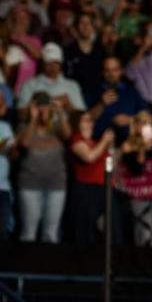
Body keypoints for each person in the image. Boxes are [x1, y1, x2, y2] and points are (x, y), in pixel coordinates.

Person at [15, 92, 70, 242]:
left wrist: (60, 111)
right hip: (30, 184)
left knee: (51, 234)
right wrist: (33, 118)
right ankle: (26, 265)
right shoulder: (24, 127)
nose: (44, 110)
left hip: (56, 185)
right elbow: (25, 143)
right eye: (40, 107)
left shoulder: (57, 127)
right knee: (28, 233)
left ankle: (50, 265)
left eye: (47, 106)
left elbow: (68, 136)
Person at [119, 111, 152, 249]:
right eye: (141, 122)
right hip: (139, 192)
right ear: (135, 125)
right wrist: (142, 147)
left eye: (147, 123)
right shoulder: (128, 145)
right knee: (144, 227)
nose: (143, 126)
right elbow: (136, 168)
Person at [66, 111, 115, 245]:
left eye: (90, 120)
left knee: (102, 230)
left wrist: (110, 145)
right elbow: (89, 157)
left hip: (102, 189)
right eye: (85, 120)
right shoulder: (76, 140)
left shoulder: (95, 142)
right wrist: (104, 141)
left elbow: (111, 163)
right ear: (77, 124)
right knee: (84, 231)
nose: (90, 123)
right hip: (86, 191)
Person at [18, 43, 86, 118]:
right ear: (43, 63)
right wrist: (39, 102)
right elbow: (20, 115)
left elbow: (82, 117)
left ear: (61, 64)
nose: (52, 66)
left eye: (56, 63)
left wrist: (68, 105)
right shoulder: (30, 84)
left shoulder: (72, 85)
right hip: (38, 127)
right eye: (49, 63)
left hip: (63, 127)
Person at [94, 56, 149, 144]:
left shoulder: (131, 91)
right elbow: (88, 118)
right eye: (107, 70)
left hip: (130, 143)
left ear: (121, 71)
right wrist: (102, 103)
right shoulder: (94, 91)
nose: (111, 74)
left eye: (115, 70)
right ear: (102, 72)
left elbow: (146, 115)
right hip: (100, 143)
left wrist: (130, 120)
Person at [0, 92, 13, 240]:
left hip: (3, 187)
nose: (2, 104)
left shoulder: (5, 126)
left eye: (3, 100)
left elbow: (11, 151)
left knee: (2, 233)